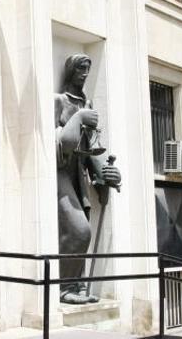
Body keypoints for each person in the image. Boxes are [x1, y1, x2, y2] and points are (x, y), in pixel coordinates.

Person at [55, 54, 120, 305]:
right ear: (70, 70)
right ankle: (63, 288)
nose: (84, 74)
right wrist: (79, 118)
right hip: (60, 172)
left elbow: (89, 148)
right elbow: (60, 145)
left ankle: (76, 285)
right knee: (80, 231)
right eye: (81, 68)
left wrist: (106, 174)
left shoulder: (87, 103)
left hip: (78, 174)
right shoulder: (59, 102)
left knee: (79, 234)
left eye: (88, 70)